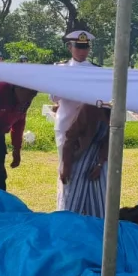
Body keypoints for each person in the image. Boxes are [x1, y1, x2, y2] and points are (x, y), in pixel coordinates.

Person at [52, 30, 98, 210]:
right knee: (66, 169)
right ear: (70, 47)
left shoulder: (96, 71)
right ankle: (65, 208)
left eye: (85, 47)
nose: (82, 51)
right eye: (78, 47)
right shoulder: (61, 69)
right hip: (66, 126)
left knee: (89, 171)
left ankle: (86, 209)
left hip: (89, 128)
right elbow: (54, 97)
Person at [60, 103, 110, 218]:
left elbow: (109, 141)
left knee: (99, 199)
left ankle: (97, 230)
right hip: (80, 157)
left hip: (98, 159)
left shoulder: (116, 111)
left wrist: (100, 164)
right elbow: (70, 137)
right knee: (72, 200)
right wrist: (66, 166)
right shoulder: (90, 108)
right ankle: (69, 230)